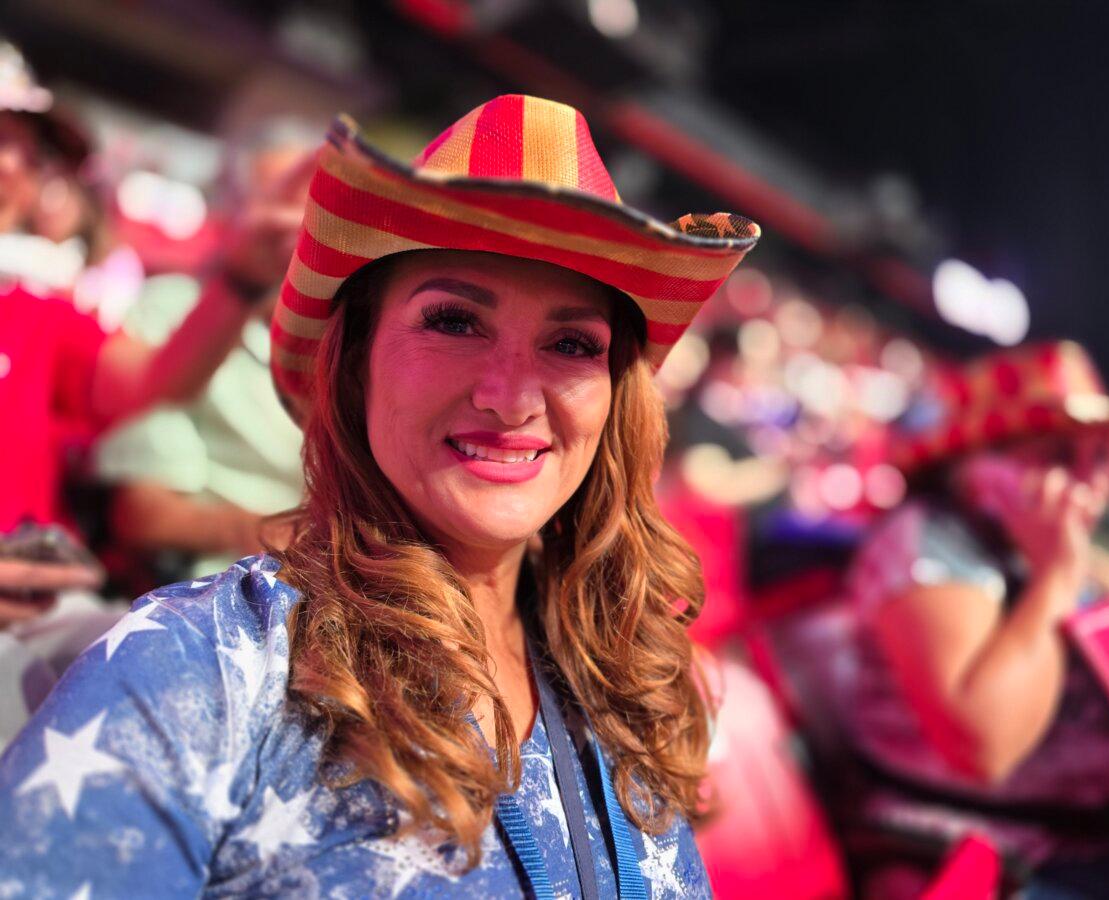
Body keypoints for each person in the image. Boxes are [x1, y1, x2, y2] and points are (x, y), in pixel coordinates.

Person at [0, 94, 760, 896]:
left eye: (571, 344)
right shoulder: (198, 670)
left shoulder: (634, 684)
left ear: (615, 400)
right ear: (355, 361)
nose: (511, 396)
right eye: (455, 322)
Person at [0, 41, 309, 736]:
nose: (11, 166)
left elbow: (147, 383)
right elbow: (146, 514)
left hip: (50, 624)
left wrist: (240, 283)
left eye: (26, 149)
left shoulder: (39, 305)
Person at [844, 341, 1109, 894]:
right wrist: (1055, 576)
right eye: (1058, 455)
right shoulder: (923, 543)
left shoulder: (1044, 533)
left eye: (1099, 457)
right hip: (1002, 856)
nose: (1089, 484)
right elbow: (986, 748)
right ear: (974, 463)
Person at [95, 119, 322, 584]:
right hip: (213, 593)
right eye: (278, 202)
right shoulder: (171, 311)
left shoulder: (363, 338)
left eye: (320, 204)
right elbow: (143, 513)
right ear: (231, 213)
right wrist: (282, 535)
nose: (298, 225)